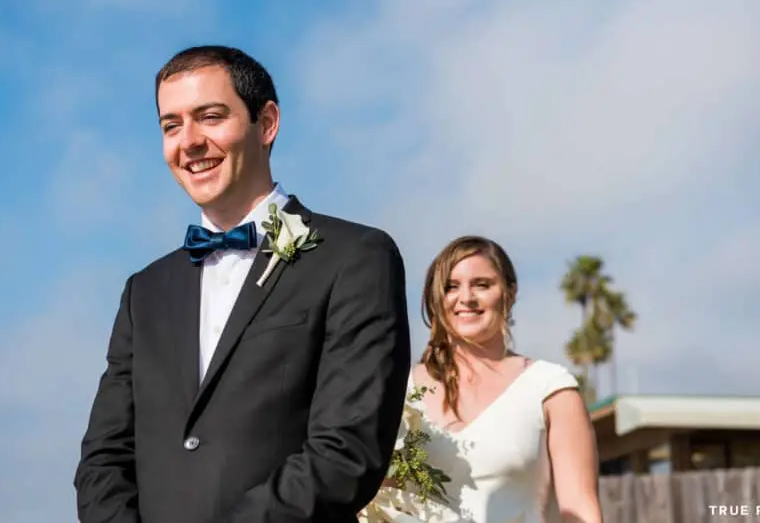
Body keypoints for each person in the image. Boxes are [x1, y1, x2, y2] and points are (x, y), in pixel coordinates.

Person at [74, 46, 412, 523]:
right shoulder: (143, 291)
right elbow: (104, 458)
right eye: (171, 126)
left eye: (209, 117)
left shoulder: (355, 258)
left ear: (267, 123)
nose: (188, 141)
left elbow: (346, 449)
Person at [401, 235, 603, 523]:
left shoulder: (550, 388)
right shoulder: (400, 389)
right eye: (451, 287)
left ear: (510, 292)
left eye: (482, 284)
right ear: (436, 297)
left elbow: (581, 508)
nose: (466, 298)